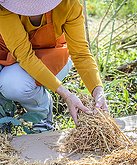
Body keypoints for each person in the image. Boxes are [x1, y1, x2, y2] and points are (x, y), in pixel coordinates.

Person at [0, 0, 108, 132]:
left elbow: (81, 54)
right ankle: (6, 119)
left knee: (14, 85)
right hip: (15, 55)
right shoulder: (4, 7)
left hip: (52, 55)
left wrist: (98, 90)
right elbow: (25, 56)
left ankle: (42, 114)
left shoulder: (68, 4)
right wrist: (67, 95)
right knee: (9, 83)